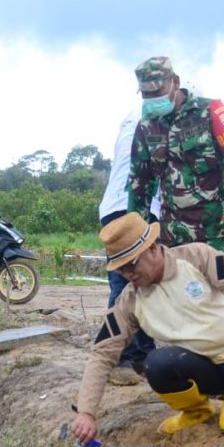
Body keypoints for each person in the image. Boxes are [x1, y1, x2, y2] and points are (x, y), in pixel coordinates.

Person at [70, 212, 224, 443]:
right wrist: (86, 413)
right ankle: (196, 412)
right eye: (121, 270)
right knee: (156, 364)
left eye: (131, 264)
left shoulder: (198, 256)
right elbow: (102, 354)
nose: (128, 274)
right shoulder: (129, 301)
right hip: (202, 370)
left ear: (151, 248)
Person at [127, 56, 224, 254]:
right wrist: (136, 230)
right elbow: (139, 181)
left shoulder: (211, 110)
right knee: (176, 284)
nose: (151, 98)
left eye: (157, 91)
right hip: (171, 232)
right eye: (146, 94)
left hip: (213, 229)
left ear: (175, 81)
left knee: (215, 283)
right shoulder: (147, 125)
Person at [98, 107, 164, 386]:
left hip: (125, 208)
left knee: (143, 285)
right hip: (130, 210)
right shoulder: (152, 125)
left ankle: (140, 355)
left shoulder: (130, 122)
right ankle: (120, 358)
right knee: (126, 285)